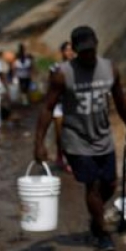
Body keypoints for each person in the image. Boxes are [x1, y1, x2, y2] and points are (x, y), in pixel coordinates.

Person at [34, 26, 126, 251]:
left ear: (97, 46)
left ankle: (96, 216)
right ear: (74, 50)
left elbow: (121, 100)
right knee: (92, 184)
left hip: (103, 136)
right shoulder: (63, 74)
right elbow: (47, 108)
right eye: (83, 52)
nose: (88, 56)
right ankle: (102, 233)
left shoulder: (109, 68)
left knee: (110, 183)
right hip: (76, 139)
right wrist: (39, 143)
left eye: (91, 51)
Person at [52, 41, 76, 172]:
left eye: (72, 50)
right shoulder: (55, 68)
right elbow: (51, 88)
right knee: (60, 134)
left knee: (73, 133)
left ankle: (71, 159)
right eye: (67, 50)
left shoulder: (78, 67)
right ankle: (60, 155)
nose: (70, 52)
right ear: (62, 52)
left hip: (74, 104)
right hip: (60, 105)